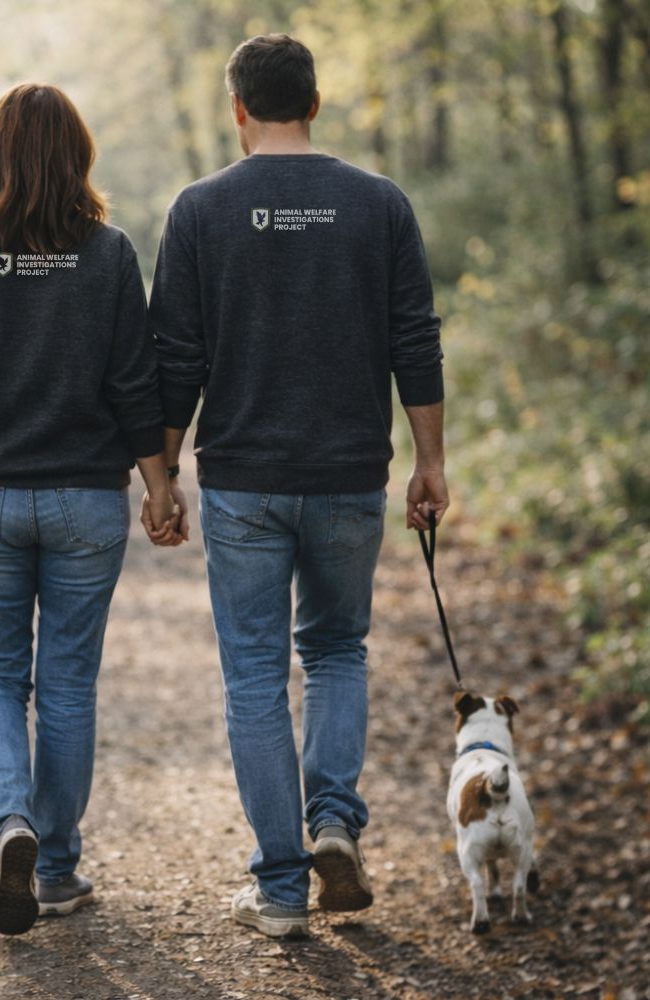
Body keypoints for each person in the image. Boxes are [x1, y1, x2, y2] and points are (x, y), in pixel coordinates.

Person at [147, 33, 449, 938]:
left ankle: (281, 889)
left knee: (252, 675)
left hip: (243, 481)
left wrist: (161, 476)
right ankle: (334, 826)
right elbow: (415, 339)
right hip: (351, 473)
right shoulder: (378, 203)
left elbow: (176, 359)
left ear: (238, 109)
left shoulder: (200, 210)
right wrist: (431, 461)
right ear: (315, 103)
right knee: (337, 651)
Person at [0, 83, 178, 937]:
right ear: (78, 157)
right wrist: (160, 479)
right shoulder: (107, 253)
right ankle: (53, 868)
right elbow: (135, 380)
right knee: (65, 684)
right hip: (85, 502)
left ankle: (8, 824)